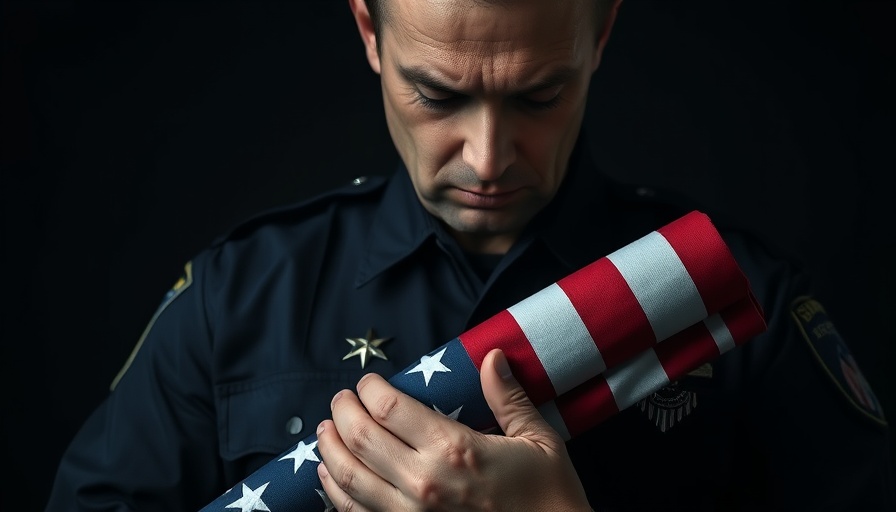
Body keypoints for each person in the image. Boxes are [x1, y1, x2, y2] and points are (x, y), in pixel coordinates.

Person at [46, 0, 894, 510]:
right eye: (438, 93)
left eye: (539, 94)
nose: (488, 158)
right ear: (370, 31)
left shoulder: (738, 302)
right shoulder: (237, 298)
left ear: (601, 34)